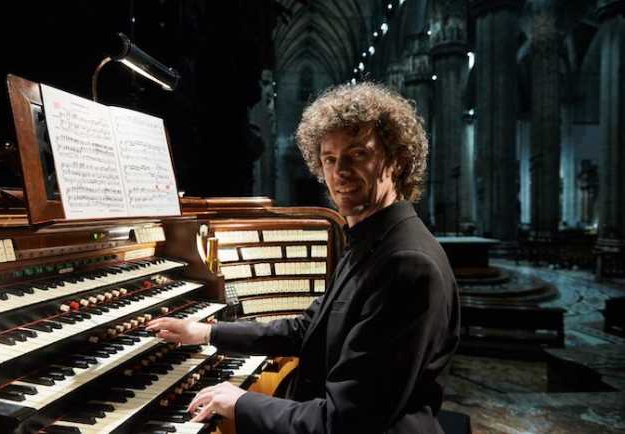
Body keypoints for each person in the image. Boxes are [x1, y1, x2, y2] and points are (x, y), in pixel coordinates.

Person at [147, 82, 460, 434]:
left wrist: (241, 402)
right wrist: (206, 331)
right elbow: (308, 329)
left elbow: (345, 423)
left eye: (357, 154)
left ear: (397, 161)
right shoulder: (371, 240)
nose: (339, 171)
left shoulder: (406, 264)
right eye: (329, 159)